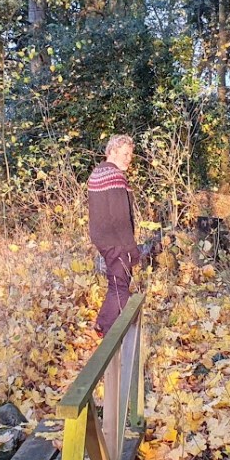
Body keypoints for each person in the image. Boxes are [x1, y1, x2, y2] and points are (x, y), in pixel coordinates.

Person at [88, 134, 138, 335]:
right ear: (113, 152)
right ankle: (116, 335)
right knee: (121, 287)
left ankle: (102, 324)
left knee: (115, 283)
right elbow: (120, 217)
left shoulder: (97, 173)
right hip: (116, 241)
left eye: (130, 155)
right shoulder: (115, 176)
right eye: (125, 154)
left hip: (102, 239)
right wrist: (131, 248)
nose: (129, 159)